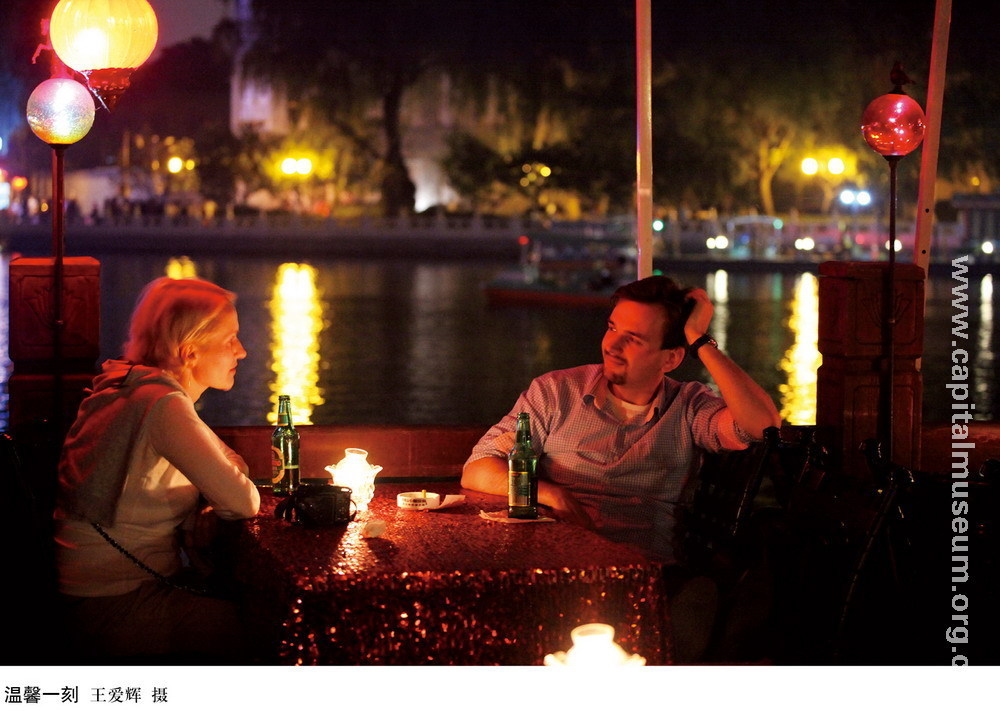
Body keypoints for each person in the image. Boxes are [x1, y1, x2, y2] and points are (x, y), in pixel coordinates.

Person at [462, 275, 781, 661]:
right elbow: (477, 468)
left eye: (634, 338)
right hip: (559, 565)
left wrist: (699, 340)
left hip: (646, 570)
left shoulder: (690, 406)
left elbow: (763, 426)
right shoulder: (556, 392)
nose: (611, 345)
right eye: (612, 327)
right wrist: (551, 493)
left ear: (671, 358)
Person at [53, 277, 260, 663]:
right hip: (114, 605)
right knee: (267, 629)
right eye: (230, 338)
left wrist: (206, 499)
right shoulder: (163, 405)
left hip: (88, 593)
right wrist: (215, 496)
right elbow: (243, 501)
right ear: (190, 351)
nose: (242, 351)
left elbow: (228, 465)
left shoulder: (128, 386)